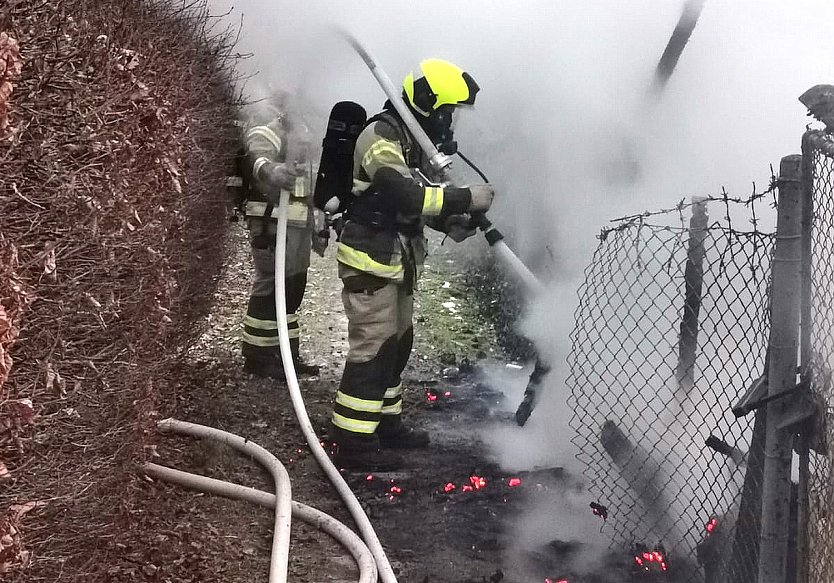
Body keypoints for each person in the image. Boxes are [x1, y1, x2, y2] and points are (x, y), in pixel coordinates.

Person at [329, 58, 495, 470]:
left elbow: (417, 203)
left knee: (398, 345)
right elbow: (401, 193)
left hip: (395, 261)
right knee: (374, 347)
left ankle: (386, 424)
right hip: (370, 261)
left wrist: (448, 222)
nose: (450, 121)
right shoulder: (381, 136)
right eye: (449, 111)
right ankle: (353, 442)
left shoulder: (410, 141)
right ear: (431, 106)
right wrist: (465, 198)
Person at [238, 104, 321, 379]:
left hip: (295, 225)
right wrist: (272, 170)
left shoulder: (303, 135)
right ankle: (258, 357)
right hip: (272, 222)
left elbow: (307, 189)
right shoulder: (269, 130)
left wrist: (316, 227)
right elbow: (256, 157)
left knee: (292, 289)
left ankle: (286, 355)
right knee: (272, 285)